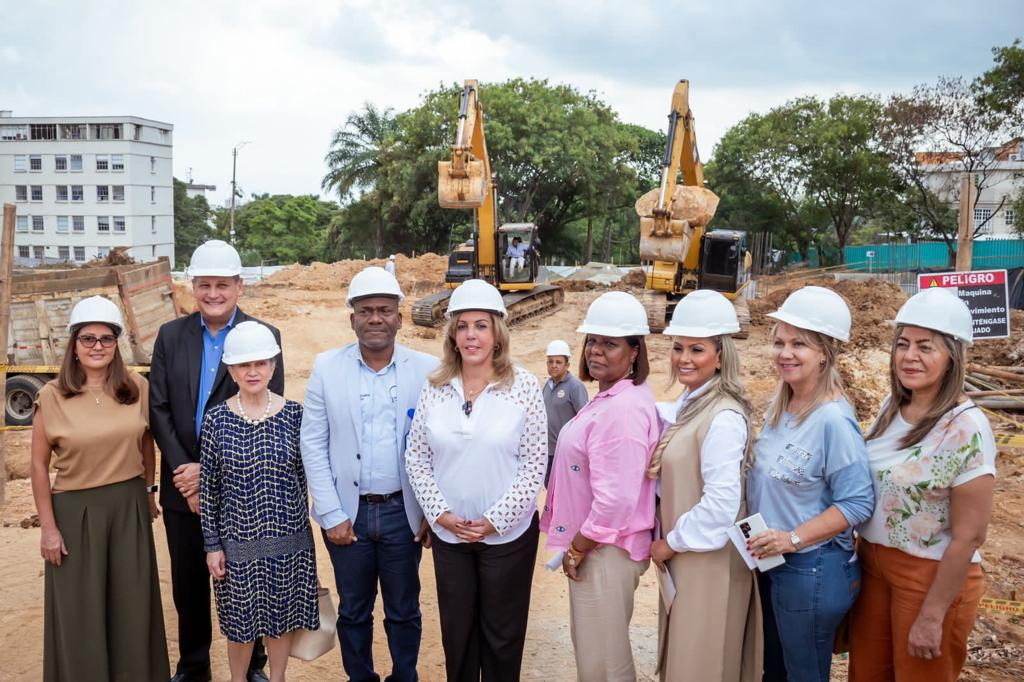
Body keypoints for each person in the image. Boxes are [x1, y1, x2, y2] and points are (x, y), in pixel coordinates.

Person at [150, 239, 283, 682]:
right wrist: (186, 473)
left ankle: (254, 668)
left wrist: (210, 473)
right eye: (204, 284)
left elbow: (266, 410)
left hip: (240, 489)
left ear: (239, 286)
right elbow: (160, 408)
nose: (212, 293)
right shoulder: (171, 337)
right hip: (180, 487)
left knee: (246, 580)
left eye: (222, 284)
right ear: (192, 286)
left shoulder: (264, 337)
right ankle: (193, 666)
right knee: (188, 585)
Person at [849, 288, 996, 682]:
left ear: (952, 357)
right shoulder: (891, 407)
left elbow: (969, 537)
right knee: (866, 673)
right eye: (903, 344)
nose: (909, 356)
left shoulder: (966, 428)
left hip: (929, 576)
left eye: (926, 347)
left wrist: (932, 615)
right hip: (873, 564)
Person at [405, 279, 547, 682]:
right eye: (463, 325)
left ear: (497, 333)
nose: (471, 335)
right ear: (452, 333)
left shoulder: (523, 387)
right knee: (458, 637)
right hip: (451, 539)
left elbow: (534, 461)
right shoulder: (435, 387)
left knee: (502, 638)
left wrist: (495, 519)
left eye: (481, 325)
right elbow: (417, 457)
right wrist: (441, 515)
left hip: (507, 539)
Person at [300, 266, 437, 682]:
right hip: (348, 516)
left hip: (403, 514)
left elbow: (438, 446)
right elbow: (313, 444)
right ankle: (360, 677)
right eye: (365, 310)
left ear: (399, 315)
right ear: (352, 317)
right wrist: (331, 513)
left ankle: (404, 676)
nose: (375, 318)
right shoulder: (327, 368)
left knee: (404, 610)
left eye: (384, 310)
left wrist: (431, 510)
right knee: (353, 610)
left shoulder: (428, 369)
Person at [30, 296, 169, 681]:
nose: (97, 347)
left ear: (116, 344)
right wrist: (48, 528)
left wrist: (148, 490)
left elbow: (146, 441)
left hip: (128, 509)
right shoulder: (51, 396)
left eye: (106, 339)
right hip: (74, 514)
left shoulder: (136, 387)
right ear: (74, 344)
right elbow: (39, 467)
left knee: (131, 605)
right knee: (81, 611)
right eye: (88, 338)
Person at [746, 286, 875, 682]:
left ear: (825, 353)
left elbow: (857, 502)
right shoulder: (783, 403)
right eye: (780, 342)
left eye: (799, 343)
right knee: (776, 670)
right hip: (773, 564)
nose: (785, 353)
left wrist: (793, 539)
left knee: (801, 674)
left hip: (811, 570)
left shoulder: (833, 420)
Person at [540, 291, 661, 682]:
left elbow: (617, 499)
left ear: (634, 352)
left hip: (605, 550)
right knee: (598, 653)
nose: (596, 350)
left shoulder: (621, 410)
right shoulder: (611, 398)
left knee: (604, 664)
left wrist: (578, 545)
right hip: (602, 547)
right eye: (592, 340)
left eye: (610, 343)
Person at [646, 290, 762, 681]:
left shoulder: (724, 417)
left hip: (708, 559)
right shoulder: (693, 403)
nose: (683, 359)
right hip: (690, 556)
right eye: (678, 348)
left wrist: (668, 543)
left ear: (720, 356)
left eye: (697, 349)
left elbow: (720, 506)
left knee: (703, 662)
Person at [201, 321, 318, 682]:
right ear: (231, 370)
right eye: (243, 365)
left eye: (261, 363)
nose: (253, 371)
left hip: (289, 541)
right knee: (240, 625)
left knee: (281, 619)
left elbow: (304, 479)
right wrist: (212, 545)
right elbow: (208, 491)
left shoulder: (296, 416)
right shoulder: (216, 420)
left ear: (273, 366)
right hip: (237, 545)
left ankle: (277, 678)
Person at [541, 339, 588, 485]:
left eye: (558, 362)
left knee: (563, 491)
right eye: (550, 361)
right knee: (549, 486)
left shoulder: (575, 387)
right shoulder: (547, 386)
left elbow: (585, 420)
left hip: (566, 453)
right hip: (548, 451)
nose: (554, 365)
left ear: (567, 365)